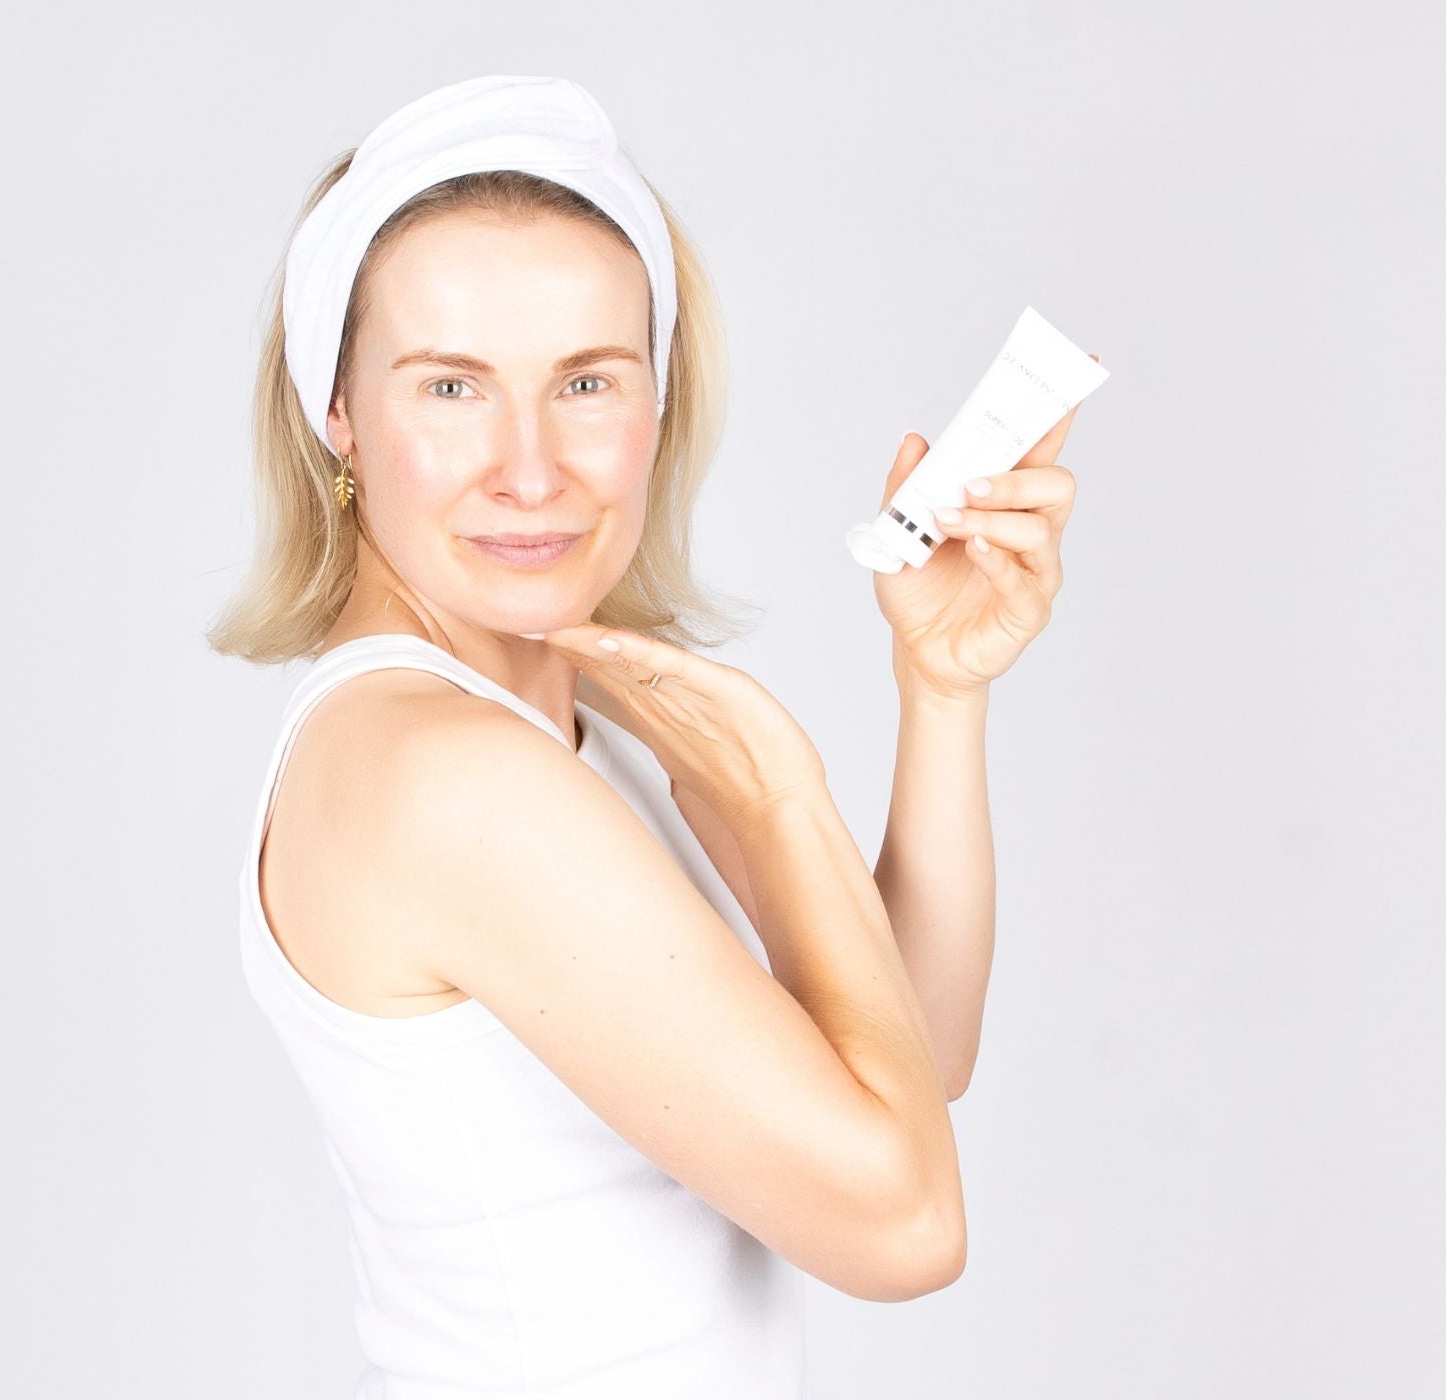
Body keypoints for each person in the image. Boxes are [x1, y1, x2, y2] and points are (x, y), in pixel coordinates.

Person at [206, 74, 1084, 1400]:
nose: (530, 470)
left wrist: (940, 690)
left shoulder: (563, 717)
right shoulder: (446, 776)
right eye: (451, 386)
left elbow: (912, 1046)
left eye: (585, 382)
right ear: (337, 412)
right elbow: (903, 1227)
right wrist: (782, 802)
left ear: (657, 402)